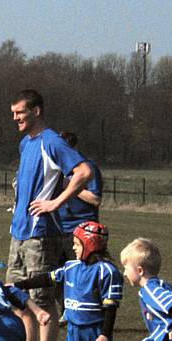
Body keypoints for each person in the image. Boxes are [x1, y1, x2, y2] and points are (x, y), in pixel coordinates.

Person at [7, 89, 93, 341]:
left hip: (42, 235)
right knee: (18, 299)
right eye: (14, 112)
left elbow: (83, 171)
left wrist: (55, 203)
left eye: (20, 112)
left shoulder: (52, 141)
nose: (15, 117)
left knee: (43, 301)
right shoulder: (25, 143)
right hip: (18, 233)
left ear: (37, 111)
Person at [56, 131, 103, 323]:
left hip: (82, 229)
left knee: (85, 273)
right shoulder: (57, 170)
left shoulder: (88, 168)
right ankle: (65, 310)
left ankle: (93, 310)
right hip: (58, 228)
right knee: (58, 272)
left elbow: (96, 199)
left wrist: (72, 187)